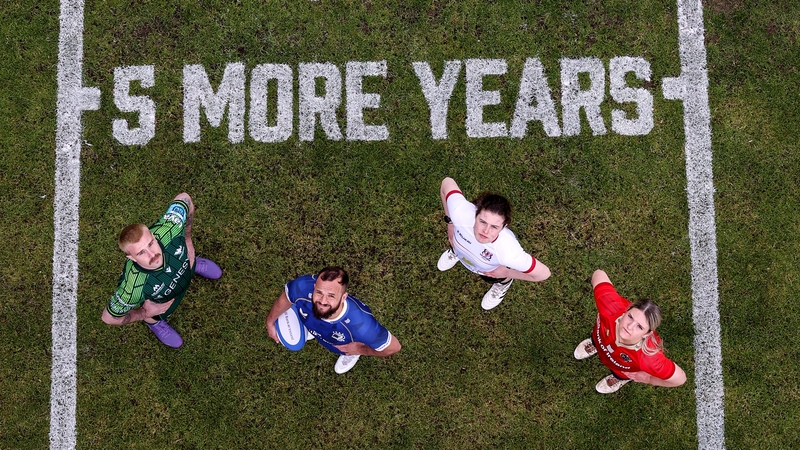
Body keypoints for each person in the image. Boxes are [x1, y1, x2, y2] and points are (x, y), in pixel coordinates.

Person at [101, 193, 222, 348]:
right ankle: (154, 323)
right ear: (131, 258)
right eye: (141, 253)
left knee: (184, 258)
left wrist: (187, 240)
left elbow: (184, 198)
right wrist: (143, 313)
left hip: (184, 264)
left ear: (153, 236)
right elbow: (109, 317)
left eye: (150, 244)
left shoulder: (169, 229)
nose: (152, 255)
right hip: (164, 301)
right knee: (155, 315)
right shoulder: (132, 288)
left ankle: (193, 265)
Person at [437, 177, 551, 310]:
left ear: (504, 227)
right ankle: (456, 253)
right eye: (483, 222)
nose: (485, 231)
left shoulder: (508, 252)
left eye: (494, 227)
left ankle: (503, 283)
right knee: (458, 243)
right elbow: (447, 183)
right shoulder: (460, 214)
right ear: (476, 213)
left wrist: (507, 273)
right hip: (459, 246)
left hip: (487, 270)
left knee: (496, 278)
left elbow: (543, 273)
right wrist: (450, 222)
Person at [265, 266, 401, 374]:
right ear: (314, 287)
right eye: (319, 292)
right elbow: (285, 299)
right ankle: (312, 328)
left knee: (343, 346)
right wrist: (270, 322)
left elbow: (394, 347)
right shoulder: (302, 287)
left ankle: (351, 354)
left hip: (342, 339)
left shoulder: (362, 326)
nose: (323, 301)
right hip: (312, 322)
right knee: (310, 316)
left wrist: (360, 349)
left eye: (331, 296)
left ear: (343, 297)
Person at [574, 269, 687, 393]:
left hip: (624, 368)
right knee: (598, 339)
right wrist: (603, 308)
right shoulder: (611, 307)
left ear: (647, 333)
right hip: (600, 337)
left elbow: (680, 379)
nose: (629, 326)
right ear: (626, 311)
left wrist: (648, 378)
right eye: (630, 317)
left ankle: (619, 378)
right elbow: (598, 273)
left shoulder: (650, 359)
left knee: (622, 373)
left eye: (639, 327)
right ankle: (595, 344)